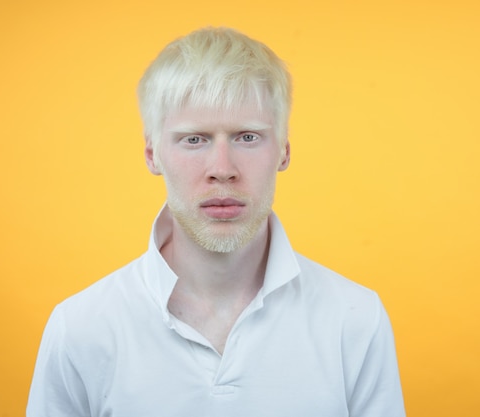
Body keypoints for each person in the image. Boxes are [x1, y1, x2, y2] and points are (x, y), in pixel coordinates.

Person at [27, 27, 405, 417]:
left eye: (247, 137)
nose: (222, 170)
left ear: (284, 151)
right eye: (194, 139)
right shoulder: (80, 328)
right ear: (152, 154)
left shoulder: (354, 319)